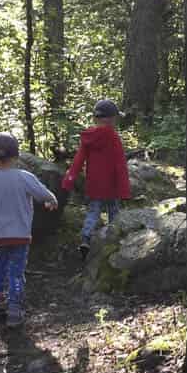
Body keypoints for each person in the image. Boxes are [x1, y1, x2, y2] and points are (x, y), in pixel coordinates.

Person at [0, 133, 58, 327]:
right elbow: (43, 193)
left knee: (0, 263)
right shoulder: (24, 177)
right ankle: (14, 309)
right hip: (20, 235)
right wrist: (52, 200)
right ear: (16, 156)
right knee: (16, 271)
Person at [60, 99, 131, 259]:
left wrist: (69, 179)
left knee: (93, 212)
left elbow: (78, 160)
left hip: (94, 184)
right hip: (111, 185)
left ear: (95, 119)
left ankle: (86, 238)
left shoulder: (88, 138)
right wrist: (124, 189)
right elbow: (120, 165)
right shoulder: (113, 137)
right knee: (114, 212)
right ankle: (114, 238)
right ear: (112, 119)